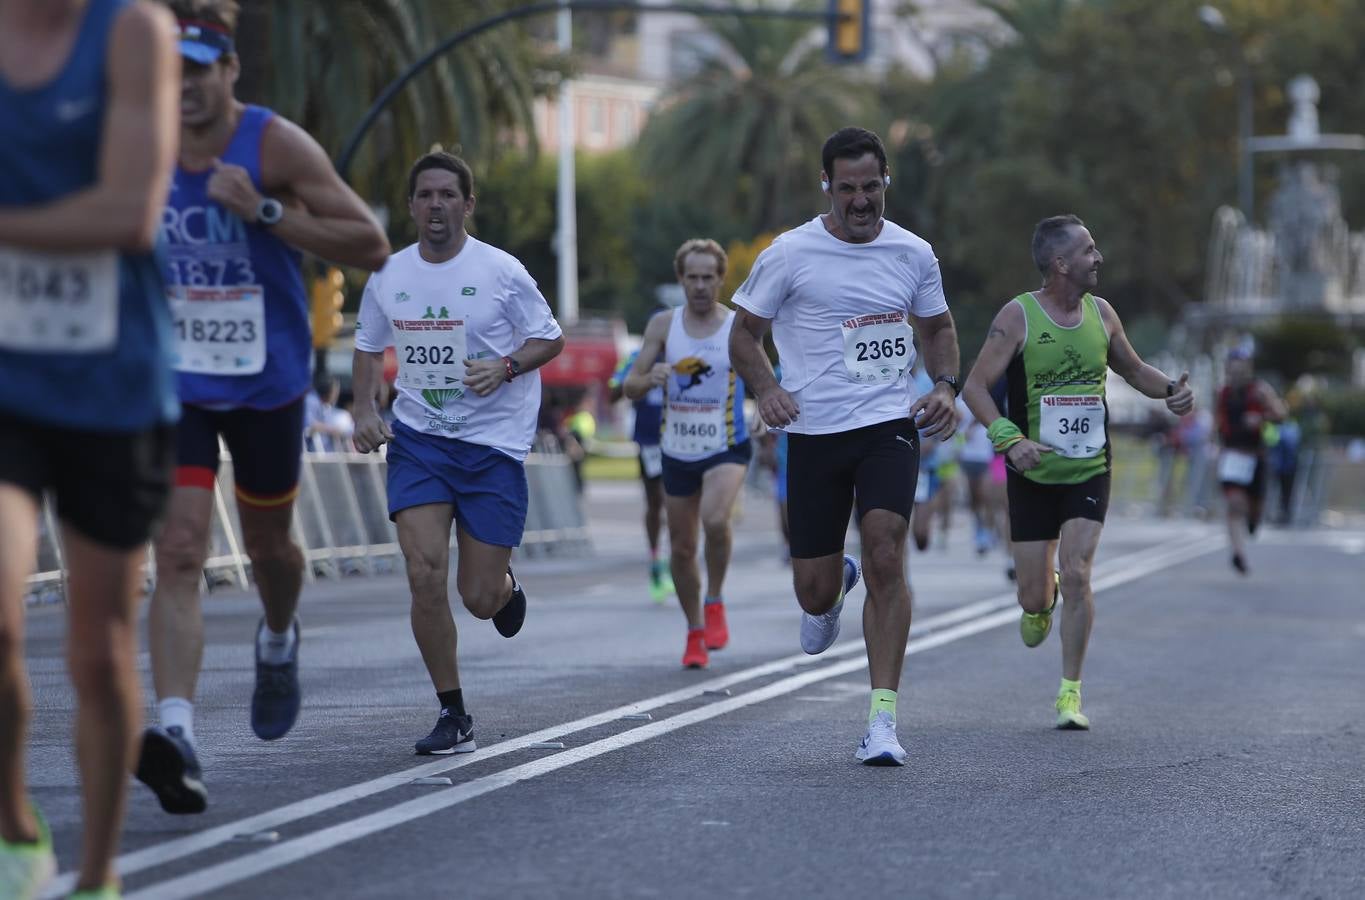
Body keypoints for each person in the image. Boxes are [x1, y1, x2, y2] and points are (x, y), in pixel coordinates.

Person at [136, 0, 390, 816]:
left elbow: (369, 244)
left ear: (230, 72)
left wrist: (266, 212)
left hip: (267, 379)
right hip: (175, 379)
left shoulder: (273, 143)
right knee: (177, 548)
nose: (184, 86)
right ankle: (175, 731)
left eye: (200, 70)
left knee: (272, 548)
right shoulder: (139, 136)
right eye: (173, 70)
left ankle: (278, 635)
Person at [0, 1, 179, 895]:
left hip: (112, 387)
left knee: (97, 653)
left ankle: (99, 877)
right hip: (6, 385)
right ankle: (14, 830)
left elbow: (128, 212)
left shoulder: (132, 32)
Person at [730, 127, 961, 765]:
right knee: (811, 590)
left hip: (888, 424)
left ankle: (882, 721)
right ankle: (832, 589)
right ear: (827, 186)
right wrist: (767, 388)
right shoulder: (789, 253)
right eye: (848, 189)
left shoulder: (913, 253)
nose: (861, 201)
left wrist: (943, 385)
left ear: (888, 183)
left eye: (872, 187)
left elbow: (938, 327)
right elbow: (744, 337)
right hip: (812, 433)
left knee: (888, 550)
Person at [352, 150, 563, 755]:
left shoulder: (501, 271)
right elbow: (368, 347)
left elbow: (549, 338)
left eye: (448, 194)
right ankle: (453, 713)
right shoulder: (388, 274)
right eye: (425, 195)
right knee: (423, 574)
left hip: (492, 446)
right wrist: (366, 409)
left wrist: (506, 365)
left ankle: (503, 589)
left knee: (476, 596)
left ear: (467, 204)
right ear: (411, 205)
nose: (436, 205)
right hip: (419, 441)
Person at [963, 214, 1194, 730]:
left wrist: (1170, 392)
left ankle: (1070, 693)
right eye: (1089, 250)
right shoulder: (1018, 316)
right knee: (1034, 594)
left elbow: (1133, 369)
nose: (1099, 257)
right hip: (1032, 470)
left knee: (1081, 573)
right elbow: (974, 387)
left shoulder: (1103, 314)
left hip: (1090, 467)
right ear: (1060, 263)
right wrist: (1010, 440)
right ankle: (1038, 605)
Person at [625, 239, 750, 669]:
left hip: (725, 444)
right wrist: (651, 375)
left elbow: (767, 371)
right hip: (676, 447)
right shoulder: (663, 325)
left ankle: (714, 600)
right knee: (681, 548)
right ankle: (695, 629)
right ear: (681, 279)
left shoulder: (738, 325)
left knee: (715, 519)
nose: (700, 286)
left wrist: (770, 404)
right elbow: (630, 385)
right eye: (692, 278)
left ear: (721, 278)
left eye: (708, 277)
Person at [608, 343, 674, 601]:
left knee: (678, 502)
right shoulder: (635, 357)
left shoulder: (684, 351)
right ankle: (657, 558)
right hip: (650, 442)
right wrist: (639, 377)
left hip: (680, 438)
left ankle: (677, 557)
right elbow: (612, 393)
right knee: (657, 503)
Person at [1214, 348, 1285, 572]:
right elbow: (1217, 422)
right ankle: (1238, 553)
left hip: (1256, 457)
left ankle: (1254, 521)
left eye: (1241, 368)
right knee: (1235, 505)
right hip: (1232, 455)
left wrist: (1261, 418)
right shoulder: (1222, 393)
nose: (1237, 373)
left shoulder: (1260, 390)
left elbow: (1281, 414)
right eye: (1233, 368)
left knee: (1254, 508)